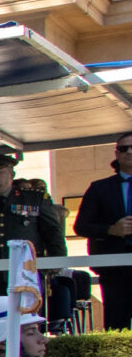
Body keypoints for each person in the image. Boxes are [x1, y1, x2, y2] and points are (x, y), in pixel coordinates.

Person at [0, 151, 67, 304]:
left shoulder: (34, 199)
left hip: (25, 275)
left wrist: (56, 261)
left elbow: (52, 233)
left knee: (26, 321)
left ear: (11, 174)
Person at [72, 134, 132, 330]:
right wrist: (111, 230)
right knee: (116, 325)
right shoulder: (100, 188)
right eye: (124, 149)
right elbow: (80, 226)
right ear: (116, 153)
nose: (129, 152)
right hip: (114, 269)